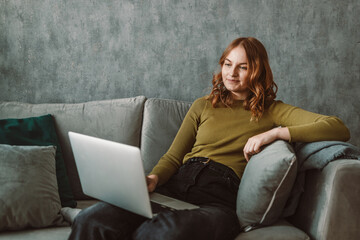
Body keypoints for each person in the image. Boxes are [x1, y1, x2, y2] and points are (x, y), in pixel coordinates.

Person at [68, 37, 350, 240]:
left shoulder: (273, 111)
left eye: (242, 67)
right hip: (174, 191)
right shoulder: (203, 105)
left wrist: (275, 132)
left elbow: (336, 127)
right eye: (228, 64)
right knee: (94, 219)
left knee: (160, 232)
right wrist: (153, 179)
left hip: (218, 201)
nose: (232, 73)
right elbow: (173, 157)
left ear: (258, 71)